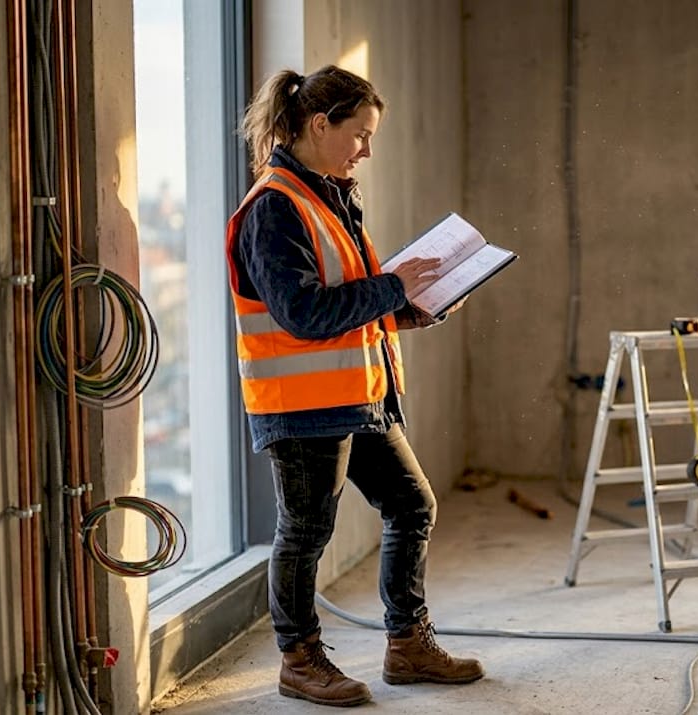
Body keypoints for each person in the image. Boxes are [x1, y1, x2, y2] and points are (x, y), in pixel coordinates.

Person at [227, 64, 484, 708]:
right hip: (304, 408)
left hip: (359, 397)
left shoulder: (328, 196)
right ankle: (299, 659)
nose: (367, 149)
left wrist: (407, 309)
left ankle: (407, 645)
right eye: (360, 134)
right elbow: (305, 314)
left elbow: (345, 303)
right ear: (321, 124)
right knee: (306, 531)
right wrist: (394, 286)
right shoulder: (275, 207)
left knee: (412, 505)